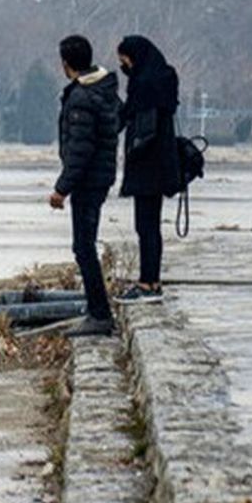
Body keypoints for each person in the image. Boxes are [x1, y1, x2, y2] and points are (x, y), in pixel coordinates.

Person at [49, 35, 122, 337]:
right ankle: (97, 310)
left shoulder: (81, 97)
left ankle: (99, 314)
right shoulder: (106, 90)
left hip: (88, 180)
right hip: (101, 176)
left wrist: (61, 189)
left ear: (66, 64)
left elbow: (80, 149)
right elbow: (118, 122)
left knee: (83, 247)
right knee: (85, 245)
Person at [113, 35, 180, 305]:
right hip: (163, 162)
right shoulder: (164, 79)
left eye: (124, 60)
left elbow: (135, 121)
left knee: (145, 226)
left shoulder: (143, 85)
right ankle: (152, 280)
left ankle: (146, 283)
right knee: (152, 225)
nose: (124, 65)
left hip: (146, 165)